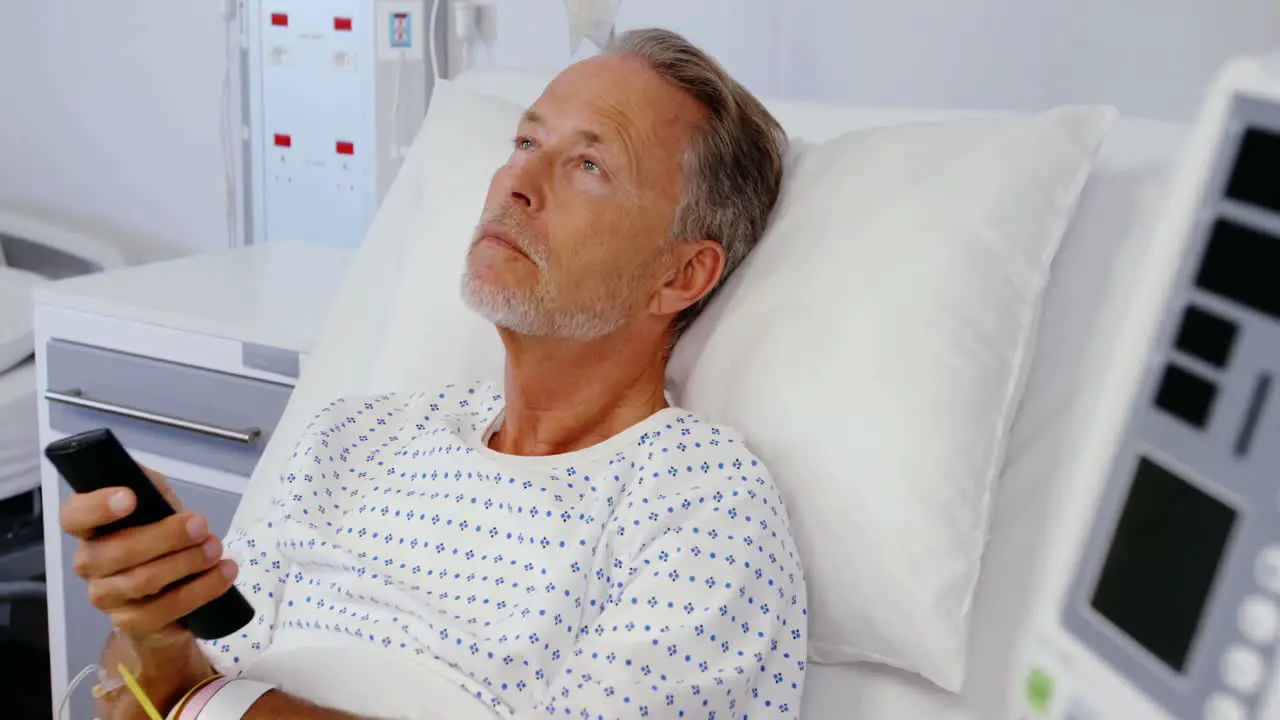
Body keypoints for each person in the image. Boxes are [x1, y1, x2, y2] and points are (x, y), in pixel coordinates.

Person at [60, 28, 806, 720]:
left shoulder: (701, 499)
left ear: (682, 275)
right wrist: (156, 632)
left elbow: (194, 703)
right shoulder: (359, 435)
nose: (517, 181)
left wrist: (208, 701)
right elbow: (142, 702)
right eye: (524, 139)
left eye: (588, 164)